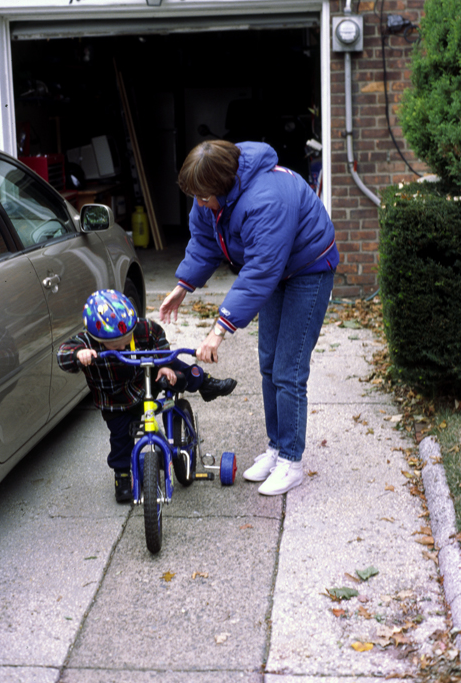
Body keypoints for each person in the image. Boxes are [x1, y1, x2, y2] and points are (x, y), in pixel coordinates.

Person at [160, 140, 339, 496]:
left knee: (289, 369)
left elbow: (259, 272)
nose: (198, 203)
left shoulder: (266, 199)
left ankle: (291, 460)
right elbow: (204, 240)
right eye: (194, 196)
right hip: (277, 271)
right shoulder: (210, 197)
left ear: (223, 186)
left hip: (309, 269)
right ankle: (276, 448)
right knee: (269, 363)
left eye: (204, 197)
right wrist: (184, 285)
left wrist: (218, 330)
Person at [57, 289, 236, 503]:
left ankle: (204, 383)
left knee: (174, 363)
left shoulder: (139, 328)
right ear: (96, 337)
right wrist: (78, 355)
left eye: (127, 339)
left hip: (146, 380)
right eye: (116, 345)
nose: (123, 346)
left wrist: (162, 365)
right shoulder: (86, 341)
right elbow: (63, 354)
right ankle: (122, 477)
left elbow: (157, 335)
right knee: (120, 440)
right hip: (116, 402)